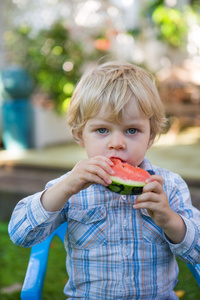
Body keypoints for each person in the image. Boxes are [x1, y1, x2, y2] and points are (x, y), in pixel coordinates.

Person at [8, 61, 200, 299]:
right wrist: (64, 189)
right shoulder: (69, 188)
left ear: (151, 136)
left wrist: (171, 220)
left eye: (131, 130)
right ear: (81, 135)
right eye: (102, 130)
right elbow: (20, 234)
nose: (116, 143)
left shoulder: (168, 187)